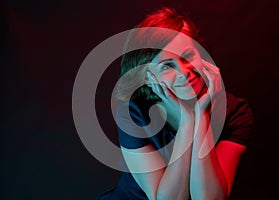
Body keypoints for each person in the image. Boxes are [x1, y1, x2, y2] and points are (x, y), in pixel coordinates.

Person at [97, 7, 253, 200]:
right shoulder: (133, 112)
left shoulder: (236, 112)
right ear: (149, 77)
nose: (184, 72)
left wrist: (201, 116)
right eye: (167, 66)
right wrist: (187, 121)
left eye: (188, 56)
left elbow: (209, 198)